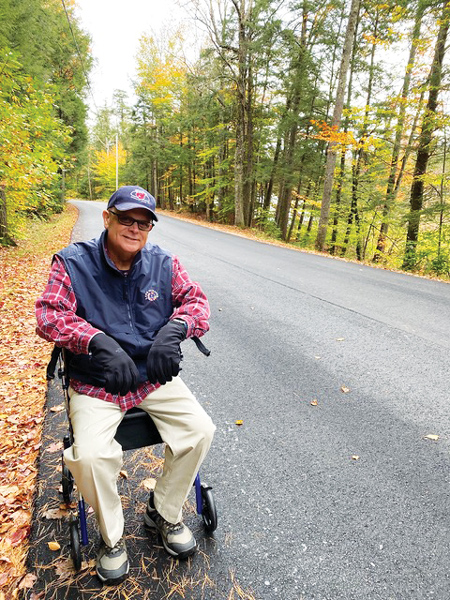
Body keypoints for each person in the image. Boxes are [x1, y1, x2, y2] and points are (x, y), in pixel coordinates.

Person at [35, 186, 215, 585]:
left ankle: (163, 512)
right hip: (97, 380)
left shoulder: (164, 263)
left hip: (152, 375)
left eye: (143, 222)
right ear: (107, 218)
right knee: (92, 456)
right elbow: (48, 316)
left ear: (150, 228)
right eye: (126, 219)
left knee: (200, 430)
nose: (134, 228)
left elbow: (197, 303)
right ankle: (112, 538)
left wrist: (177, 328)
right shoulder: (73, 263)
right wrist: (96, 342)